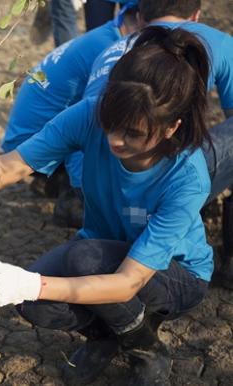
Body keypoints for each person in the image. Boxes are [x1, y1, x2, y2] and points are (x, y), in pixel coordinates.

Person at [0, 26, 217, 385]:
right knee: (36, 305)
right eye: (110, 122)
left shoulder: (187, 175)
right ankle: (108, 336)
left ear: (171, 128)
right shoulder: (88, 115)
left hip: (177, 275)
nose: (113, 139)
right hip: (100, 249)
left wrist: (32, 283)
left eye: (133, 133)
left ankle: (147, 348)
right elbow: (3, 172)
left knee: (79, 263)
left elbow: (125, 283)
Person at [81, 0, 233, 283]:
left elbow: (79, 121)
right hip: (153, 179)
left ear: (139, 16)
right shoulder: (216, 41)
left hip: (96, 183)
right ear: (196, 16)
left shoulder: (111, 47)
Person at [4, 0, 140, 227]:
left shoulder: (106, 36)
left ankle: (55, 181)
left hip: (26, 137)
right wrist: (83, 193)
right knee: (106, 125)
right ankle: (71, 199)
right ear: (140, 17)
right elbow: (84, 123)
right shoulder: (112, 52)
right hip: (29, 146)